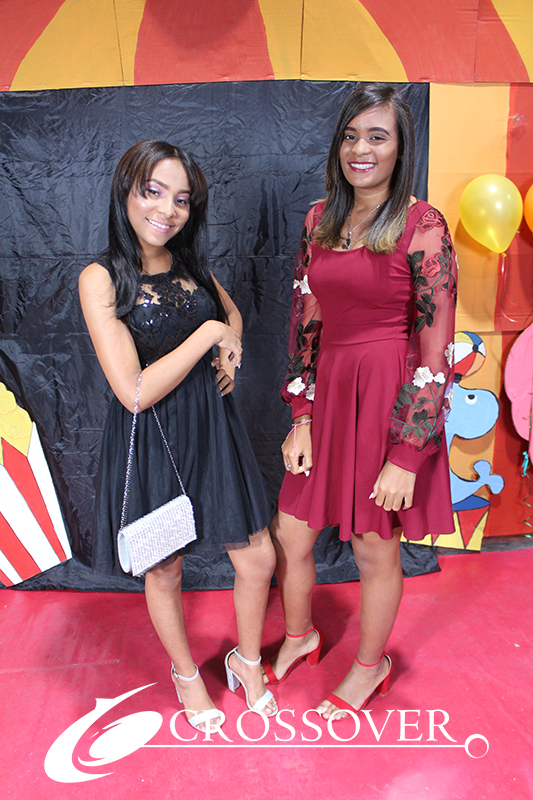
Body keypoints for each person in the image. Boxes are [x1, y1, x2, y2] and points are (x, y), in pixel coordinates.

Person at [263, 84, 457, 719]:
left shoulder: (423, 225)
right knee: (290, 532)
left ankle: (371, 669)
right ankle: (301, 636)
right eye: (350, 136)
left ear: (401, 148)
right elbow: (305, 321)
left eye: (377, 136)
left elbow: (435, 349)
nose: (360, 149)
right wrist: (301, 415)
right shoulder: (318, 219)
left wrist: (407, 453)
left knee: (375, 546)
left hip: (387, 396)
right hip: (329, 392)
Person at [79, 140, 277, 731]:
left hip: (213, 429)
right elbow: (134, 390)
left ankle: (247, 662)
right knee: (164, 568)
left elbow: (230, 316)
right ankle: (187, 675)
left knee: (257, 555)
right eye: (153, 191)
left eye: (182, 199)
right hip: (154, 437)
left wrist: (229, 346)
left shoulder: (190, 266)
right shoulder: (100, 277)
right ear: (127, 192)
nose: (167, 210)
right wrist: (209, 335)